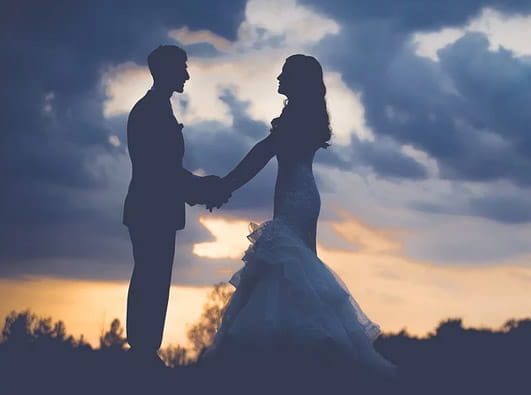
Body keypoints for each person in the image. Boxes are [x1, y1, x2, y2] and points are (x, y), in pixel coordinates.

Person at [202, 54, 396, 383]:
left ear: (297, 81)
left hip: (295, 198)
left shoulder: (294, 119)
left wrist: (224, 187)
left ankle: (290, 362)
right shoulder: (303, 116)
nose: (278, 78)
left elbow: (260, 155)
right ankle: (301, 362)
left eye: (284, 74)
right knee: (295, 271)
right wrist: (224, 186)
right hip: (303, 195)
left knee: (290, 266)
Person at [123, 45, 230, 368]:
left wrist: (201, 186)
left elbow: (164, 169)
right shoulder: (150, 111)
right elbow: (160, 170)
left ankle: (144, 350)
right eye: (182, 67)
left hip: (154, 210)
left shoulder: (156, 108)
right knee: (150, 280)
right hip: (151, 211)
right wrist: (204, 187)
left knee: (153, 280)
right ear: (166, 71)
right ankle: (142, 351)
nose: (186, 74)